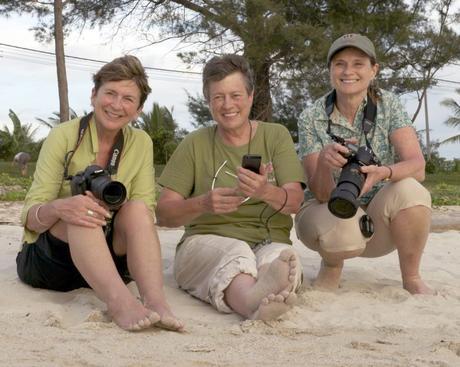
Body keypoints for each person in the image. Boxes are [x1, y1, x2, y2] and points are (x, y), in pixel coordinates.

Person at [16, 55, 183, 331]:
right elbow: (29, 218)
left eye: (128, 99)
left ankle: (155, 301)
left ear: (138, 110)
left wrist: (114, 205)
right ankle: (120, 303)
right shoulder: (63, 136)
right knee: (84, 210)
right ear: (94, 95)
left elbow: (145, 211)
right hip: (52, 262)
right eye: (110, 93)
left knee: (138, 209)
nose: (117, 105)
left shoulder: (140, 142)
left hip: (108, 259)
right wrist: (62, 207)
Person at [156, 54, 306, 321]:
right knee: (235, 254)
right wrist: (202, 204)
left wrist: (264, 191)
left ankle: (267, 286)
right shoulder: (194, 143)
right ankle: (252, 302)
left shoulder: (276, 136)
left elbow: (295, 202)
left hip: (268, 239)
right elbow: (164, 215)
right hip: (206, 240)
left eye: (235, 95)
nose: (227, 105)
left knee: (280, 258)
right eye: (218, 97)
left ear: (250, 96)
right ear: (208, 101)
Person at [295, 34, 434, 295]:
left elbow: (418, 166)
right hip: (328, 212)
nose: (348, 71)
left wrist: (384, 172)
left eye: (358, 63)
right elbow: (321, 193)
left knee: (412, 190)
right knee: (338, 215)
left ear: (374, 70)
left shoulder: (388, 104)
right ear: (330, 71)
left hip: (377, 220)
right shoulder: (311, 116)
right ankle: (332, 266)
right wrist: (325, 162)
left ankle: (412, 277)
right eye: (339, 64)